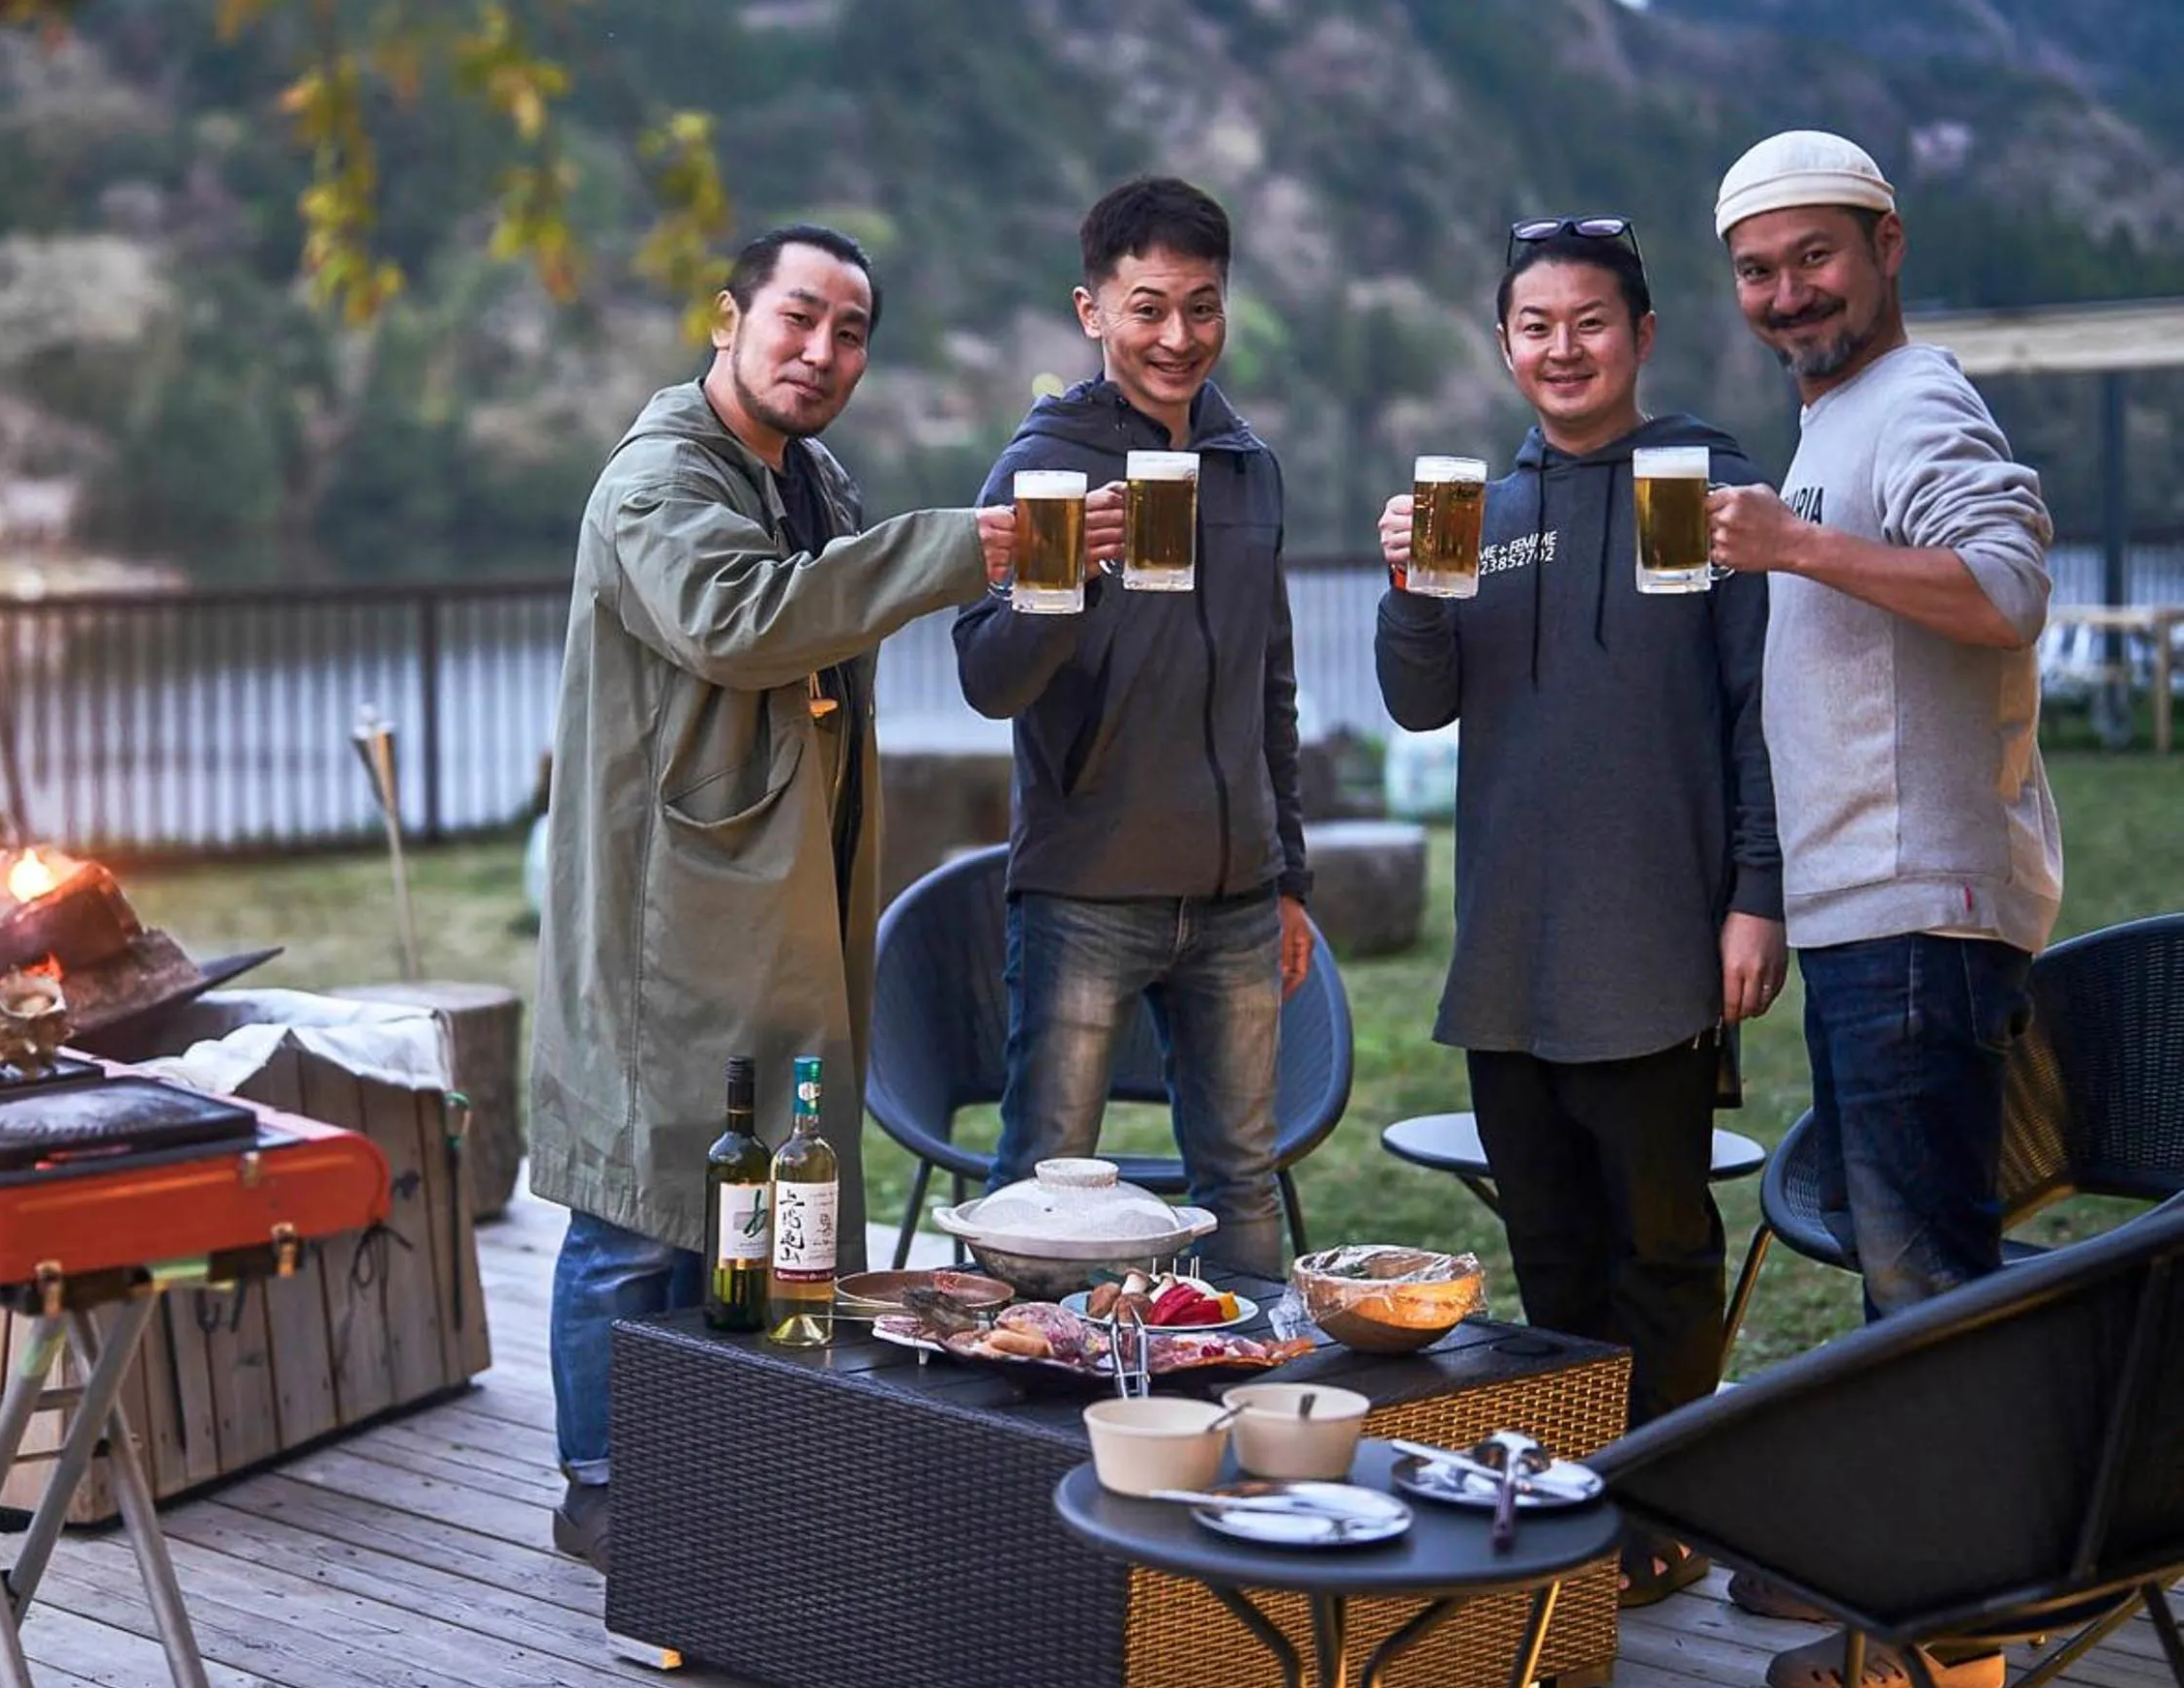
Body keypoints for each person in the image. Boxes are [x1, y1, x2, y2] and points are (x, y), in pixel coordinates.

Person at [528, 223, 1023, 1575]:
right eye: (797, 319)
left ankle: (726, 1457)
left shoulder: (811, 479)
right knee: (638, 1202)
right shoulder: (655, 480)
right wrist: (961, 549)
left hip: (772, 902)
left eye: (850, 332)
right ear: (727, 318)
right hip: (664, 909)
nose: (821, 353)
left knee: (750, 1195)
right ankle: (602, 1483)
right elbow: (737, 619)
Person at [1372, 216, 1785, 1613]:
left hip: (1657, 942)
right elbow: (1421, 700)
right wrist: (1409, 591)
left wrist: (1758, 898)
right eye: (1536, 327)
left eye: (1590, 322)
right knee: (1548, 1251)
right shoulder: (1478, 514)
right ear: (1506, 346)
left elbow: (1758, 710)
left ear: (1643, 336)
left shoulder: (1706, 489)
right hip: (1507, 954)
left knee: (1662, 1252)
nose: (1564, 348)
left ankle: (1666, 1510)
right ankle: (1569, 1503)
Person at [1703, 132, 2062, 1688]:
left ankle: (1952, 1624)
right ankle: (1903, 1548)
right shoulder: (1842, 412)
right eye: (1759, 271)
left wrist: (1791, 545)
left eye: (1815, 259)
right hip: (1871, 910)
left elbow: (2006, 586)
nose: (1788, 294)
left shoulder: (1917, 403)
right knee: (1889, 1255)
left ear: (1885, 244)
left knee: (1927, 1280)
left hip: (1925, 910)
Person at [954, 176, 1310, 1281]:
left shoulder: (1248, 464)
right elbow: (987, 678)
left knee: (1241, 1184)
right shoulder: (1042, 464)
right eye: (1149, 306)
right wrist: (1080, 570)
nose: (1178, 335)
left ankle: (1244, 1429)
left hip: (1239, 900)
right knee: (1044, 1187)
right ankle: (1018, 1442)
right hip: (1084, 896)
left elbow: (1273, 686)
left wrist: (1287, 873)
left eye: (1202, 306)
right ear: (1090, 311)